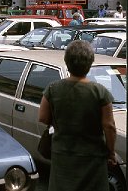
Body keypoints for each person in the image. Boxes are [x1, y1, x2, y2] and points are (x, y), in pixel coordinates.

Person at [38, 40, 117, 191]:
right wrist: (111, 152)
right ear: (90, 63)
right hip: (92, 157)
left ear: (67, 62)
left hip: (62, 156)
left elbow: (42, 117)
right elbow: (109, 126)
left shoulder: (53, 89)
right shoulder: (100, 92)